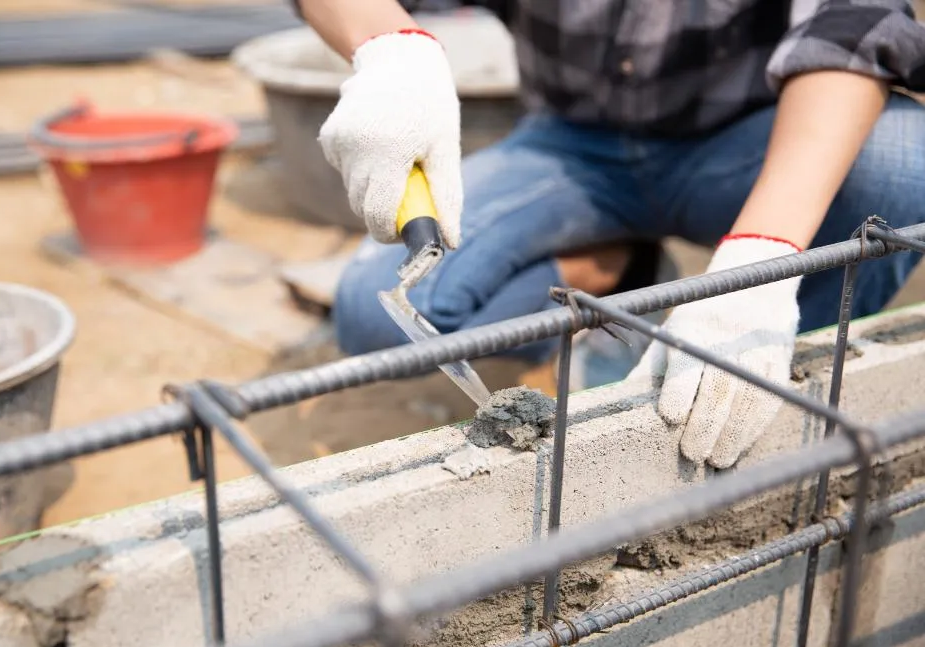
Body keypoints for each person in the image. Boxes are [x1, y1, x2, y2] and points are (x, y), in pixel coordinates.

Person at [291, 0, 925, 469]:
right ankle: (615, 270)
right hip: (574, 151)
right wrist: (391, 46)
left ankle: (763, 388)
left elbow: (854, 26)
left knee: (903, 163)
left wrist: (762, 258)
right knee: (372, 315)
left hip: (746, 139)